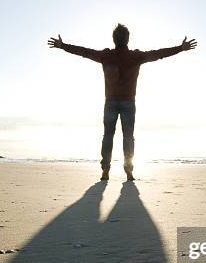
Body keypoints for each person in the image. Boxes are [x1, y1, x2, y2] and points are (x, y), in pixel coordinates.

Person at [48, 24, 197, 181]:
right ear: (128, 39)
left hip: (110, 103)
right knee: (128, 137)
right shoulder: (135, 56)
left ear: (114, 39)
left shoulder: (106, 56)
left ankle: (105, 170)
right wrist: (180, 48)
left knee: (108, 137)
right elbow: (159, 54)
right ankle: (129, 170)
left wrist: (63, 46)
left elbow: (84, 52)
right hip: (128, 103)